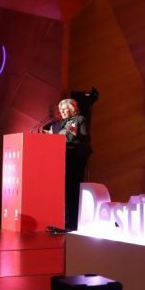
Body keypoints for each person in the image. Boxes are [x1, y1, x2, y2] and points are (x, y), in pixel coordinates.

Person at [47, 98, 91, 230]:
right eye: (60, 110)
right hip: (62, 158)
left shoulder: (79, 119)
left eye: (64, 109)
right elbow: (58, 133)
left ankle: (74, 222)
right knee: (64, 191)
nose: (62, 112)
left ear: (72, 108)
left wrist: (53, 133)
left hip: (75, 158)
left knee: (73, 190)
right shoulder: (62, 122)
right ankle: (65, 220)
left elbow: (69, 136)